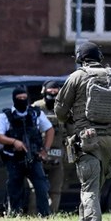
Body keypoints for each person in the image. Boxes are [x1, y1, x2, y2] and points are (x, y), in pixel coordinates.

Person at [55, 41, 111, 221]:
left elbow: (60, 111)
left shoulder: (76, 77)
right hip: (110, 140)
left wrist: (74, 119)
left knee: (89, 189)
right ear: (99, 57)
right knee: (92, 189)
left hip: (87, 139)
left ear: (80, 58)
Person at [0, 86, 54, 217]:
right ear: (14, 99)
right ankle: (14, 215)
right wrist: (14, 142)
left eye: (24, 98)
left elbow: (50, 129)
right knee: (14, 189)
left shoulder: (35, 113)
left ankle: (44, 215)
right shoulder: (6, 116)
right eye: (19, 98)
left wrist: (45, 150)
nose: (22, 100)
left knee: (42, 187)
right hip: (14, 159)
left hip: (34, 158)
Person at [30, 80, 70, 214]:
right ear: (43, 92)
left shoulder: (64, 109)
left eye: (55, 93)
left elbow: (71, 131)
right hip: (39, 154)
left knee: (56, 189)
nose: (52, 95)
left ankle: (51, 215)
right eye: (49, 92)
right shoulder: (37, 107)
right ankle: (33, 215)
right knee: (35, 188)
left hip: (58, 155)